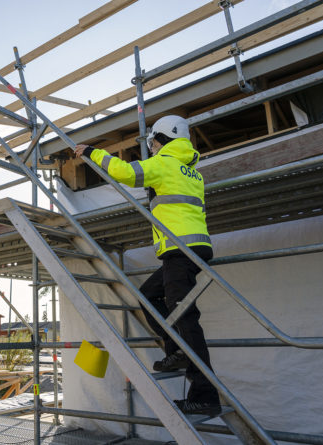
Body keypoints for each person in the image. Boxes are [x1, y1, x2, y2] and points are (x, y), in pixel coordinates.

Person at [74, 115, 220, 415]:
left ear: (165, 139)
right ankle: (177, 350)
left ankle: (205, 396)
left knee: (186, 318)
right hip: (190, 247)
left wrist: (91, 152)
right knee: (149, 296)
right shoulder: (191, 171)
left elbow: (126, 172)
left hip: (180, 250)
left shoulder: (165, 163)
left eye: (154, 141)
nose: (151, 146)